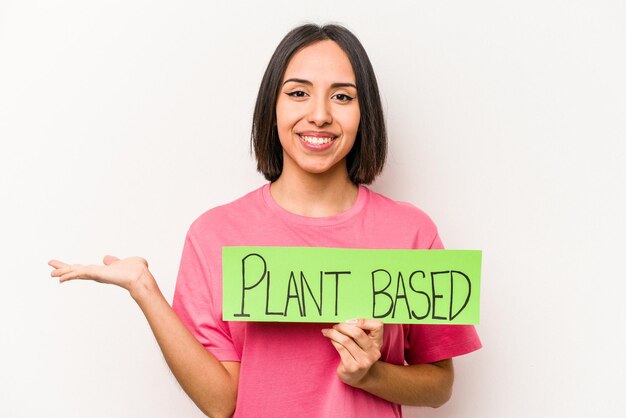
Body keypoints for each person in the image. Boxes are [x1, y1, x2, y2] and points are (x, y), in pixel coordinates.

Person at [49, 24, 481, 418]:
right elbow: (221, 403)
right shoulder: (215, 235)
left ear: (364, 112)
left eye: (342, 96)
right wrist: (145, 290)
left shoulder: (411, 232)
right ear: (271, 107)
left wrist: (371, 375)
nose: (320, 115)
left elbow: (440, 385)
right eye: (298, 93)